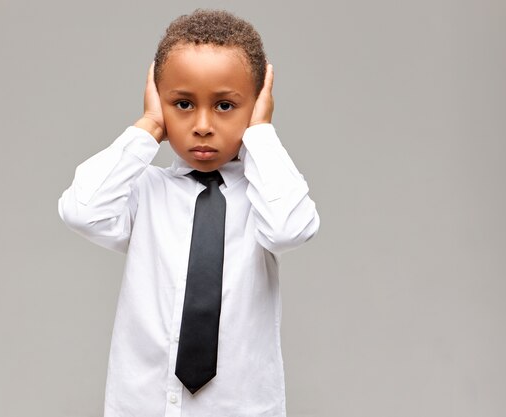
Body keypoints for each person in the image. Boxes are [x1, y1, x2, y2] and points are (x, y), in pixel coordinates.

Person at [58, 8, 320, 417]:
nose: (201, 125)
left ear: (256, 105)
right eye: (182, 103)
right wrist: (148, 126)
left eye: (225, 106)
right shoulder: (146, 191)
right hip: (142, 405)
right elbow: (82, 210)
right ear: (159, 99)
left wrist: (262, 134)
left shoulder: (264, 197)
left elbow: (290, 229)